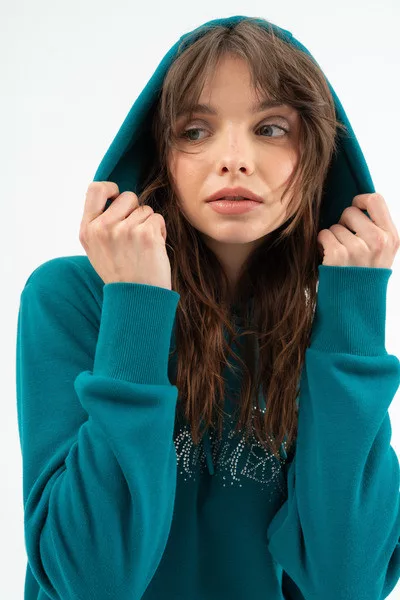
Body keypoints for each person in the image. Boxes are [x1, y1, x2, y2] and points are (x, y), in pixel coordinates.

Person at [16, 15, 400, 600]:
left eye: (270, 128)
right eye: (195, 130)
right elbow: (91, 581)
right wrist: (137, 305)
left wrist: (353, 321)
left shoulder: (322, 329)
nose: (234, 159)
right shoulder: (73, 298)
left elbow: (349, 584)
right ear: (159, 155)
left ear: (318, 155)